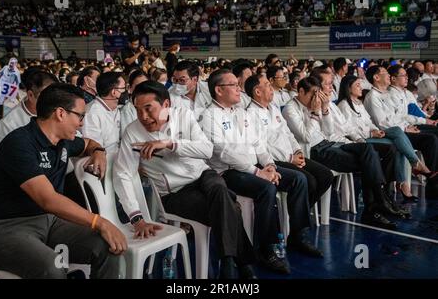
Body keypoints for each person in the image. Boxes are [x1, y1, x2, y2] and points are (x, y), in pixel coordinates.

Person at [113, 81, 256, 279]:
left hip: (203, 176)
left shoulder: (183, 116)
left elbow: (206, 149)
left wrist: (171, 144)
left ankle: (229, 264)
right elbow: (123, 174)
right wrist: (136, 217)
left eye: (149, 109)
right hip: (175, 192)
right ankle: (236, 263)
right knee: (230, 205)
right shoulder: (132, 132)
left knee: (219, 190)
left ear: (166, 105)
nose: (143, 117)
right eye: (138, 110)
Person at [0, 84, 127, 279]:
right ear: (60, 113)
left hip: (49, 220)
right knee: (53, 267)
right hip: (8, 227)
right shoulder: (19, 143)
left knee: (108, 245)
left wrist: (99, 152)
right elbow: (48, 199)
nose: (81, 123)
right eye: (80, 116)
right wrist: (99, 221)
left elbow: (88, 143)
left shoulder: (62, 141)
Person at [202, 69, 322, 269]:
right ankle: (266, 248)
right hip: (228, 172)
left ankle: (298, 235)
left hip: (254, 166)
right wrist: (258, 172)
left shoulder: (240, 112)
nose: (239, 88)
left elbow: (258, 144)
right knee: (267, 189)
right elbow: (224, 152)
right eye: (233, 85)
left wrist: (270, 165)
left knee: (298, 179)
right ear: (219, 90)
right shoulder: (209, 116)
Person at [283, 76, 400, 229]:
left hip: (329, 143)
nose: (316, 97)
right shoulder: (290, 109)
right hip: (314, 151)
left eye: (317, 93)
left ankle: (378, 203)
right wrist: (315, 112)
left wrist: (324, 109)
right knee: (370, 161)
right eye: (312, 94)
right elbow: (306, 137)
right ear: (301, 91)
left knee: (367, 150)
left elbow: (328, 131)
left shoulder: (315, 104)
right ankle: (377, 205)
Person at [338, 75, 432, 202]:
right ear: (348, 89)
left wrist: (374, 130)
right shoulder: (344, 106)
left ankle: (403, 182)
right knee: (398, 137)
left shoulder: (359, 103)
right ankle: (412, 170)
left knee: (398, 139)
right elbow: (350, 130)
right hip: (359, 141)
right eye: (357, 85)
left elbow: (369, 122)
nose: (361, 88)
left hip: (370, 135)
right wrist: (372, 134)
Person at [245, 74, 333, 207]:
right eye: (268, 85)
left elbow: (288, 133)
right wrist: (290, 158)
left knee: (326, 175)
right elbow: (263, 147)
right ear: (257, 92)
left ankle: (301, 211)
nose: (271, 88)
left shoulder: (273, 108)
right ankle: (297, 220)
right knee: (308, 180)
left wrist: (297, 150)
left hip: (291, 155)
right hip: (273, 160)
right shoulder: (250, 114)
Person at [0, 71, 57, 147]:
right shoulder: (8, 125)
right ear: (30, 95)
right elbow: (4, 156)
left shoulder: (60, 112)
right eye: (47, 97)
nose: (54, 101)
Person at [82, 72, 127, 157]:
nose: (126, 92)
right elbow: (93, 147)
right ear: (114, 92)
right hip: (102, 159)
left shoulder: (115, 108)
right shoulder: (92, 113)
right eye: (123, 88)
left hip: (117, 156)